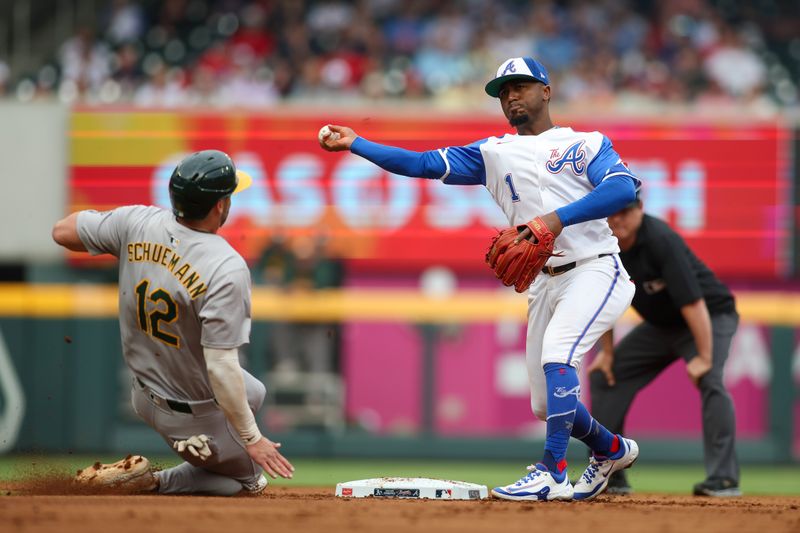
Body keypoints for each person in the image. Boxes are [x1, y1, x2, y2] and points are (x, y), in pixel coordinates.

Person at [319, 57, 641, 501]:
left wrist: (554, 220)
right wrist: (358, 143)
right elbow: (422, 164)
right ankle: (611, 450)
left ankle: (552, 470)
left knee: (558, 354)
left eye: (520, 86)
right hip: (546, 280)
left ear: (546, 91)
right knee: (546, 404)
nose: (511, 95)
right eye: (503, 91)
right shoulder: (493, 153)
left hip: (596, 266)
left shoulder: (586, 142)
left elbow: (624, 190)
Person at [52, 149, 294, 495]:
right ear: (220, 207)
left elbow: (63, 232)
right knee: (251, 482)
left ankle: (203, 445)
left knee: (254, 392)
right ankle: (150, 483)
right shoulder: (226, 265)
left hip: (144, 390)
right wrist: (252, 439)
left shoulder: (137, 222)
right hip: (189, 414)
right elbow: (221, 366)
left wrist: (116, 234)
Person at [589, 194, 741, 497]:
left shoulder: (660, 240)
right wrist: (606, 353)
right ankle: (612, 472)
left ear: (640, 210)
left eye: (625, 211)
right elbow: (603, 303)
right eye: (612, 211)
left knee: (709, 378)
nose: (618, 218)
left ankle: (723, 479)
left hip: (708, 316)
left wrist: (705, 356)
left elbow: (694, 303)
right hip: (662, 326)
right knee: (605, 376)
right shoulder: (606, 248)